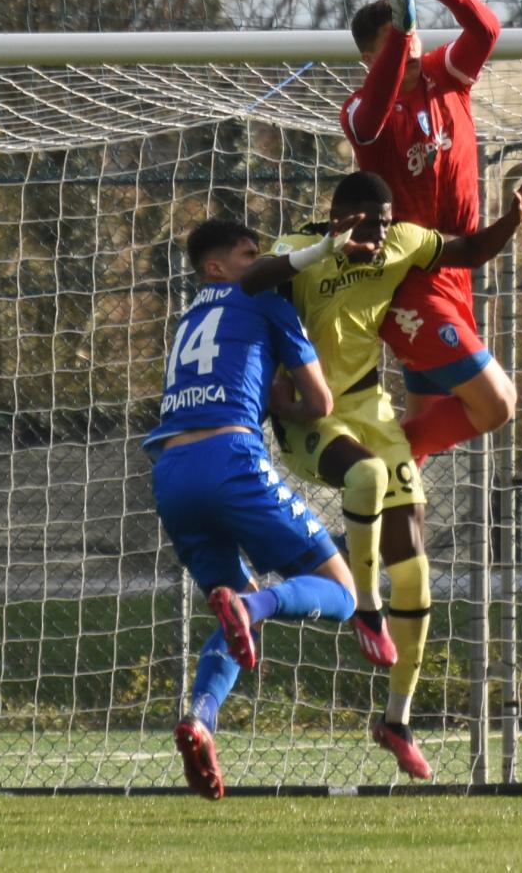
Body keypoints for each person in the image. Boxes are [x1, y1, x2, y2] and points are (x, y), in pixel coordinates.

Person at [266, 165, 522, 779]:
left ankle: (396, 720)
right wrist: (264, 394)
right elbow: (257, 291)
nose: (380, 236)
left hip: (370, 408)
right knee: (365, 480)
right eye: (368, 225)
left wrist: (514, 220)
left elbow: (467, 251)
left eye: (385, 225)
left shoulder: (402, 240)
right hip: (313, 416)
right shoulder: (297, 251)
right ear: (340, 216)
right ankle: (365, 606)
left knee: (416, 573)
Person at [148, 219, 362, 801]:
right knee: (342, 594)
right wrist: (282, 400)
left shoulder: (191, 313)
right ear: (217, 266)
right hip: (230, 457)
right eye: (249, 253)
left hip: (170, 472)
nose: (262, 260)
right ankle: (252, 603)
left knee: (230, 610)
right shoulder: (263, 299)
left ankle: (200, 718)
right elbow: (319, 402)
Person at [343, 0, 516, 462]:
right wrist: (399, 28)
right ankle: (371, 465)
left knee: (421, 440)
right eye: (398, 43)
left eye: (414, 37)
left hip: (457, 271)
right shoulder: (360, 110)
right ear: (370, 61)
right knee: (496, 404)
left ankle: (390, 522)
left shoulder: (445, 75)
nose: (413, 51)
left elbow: (486, 31)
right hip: (410, 279)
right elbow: (372, 115)